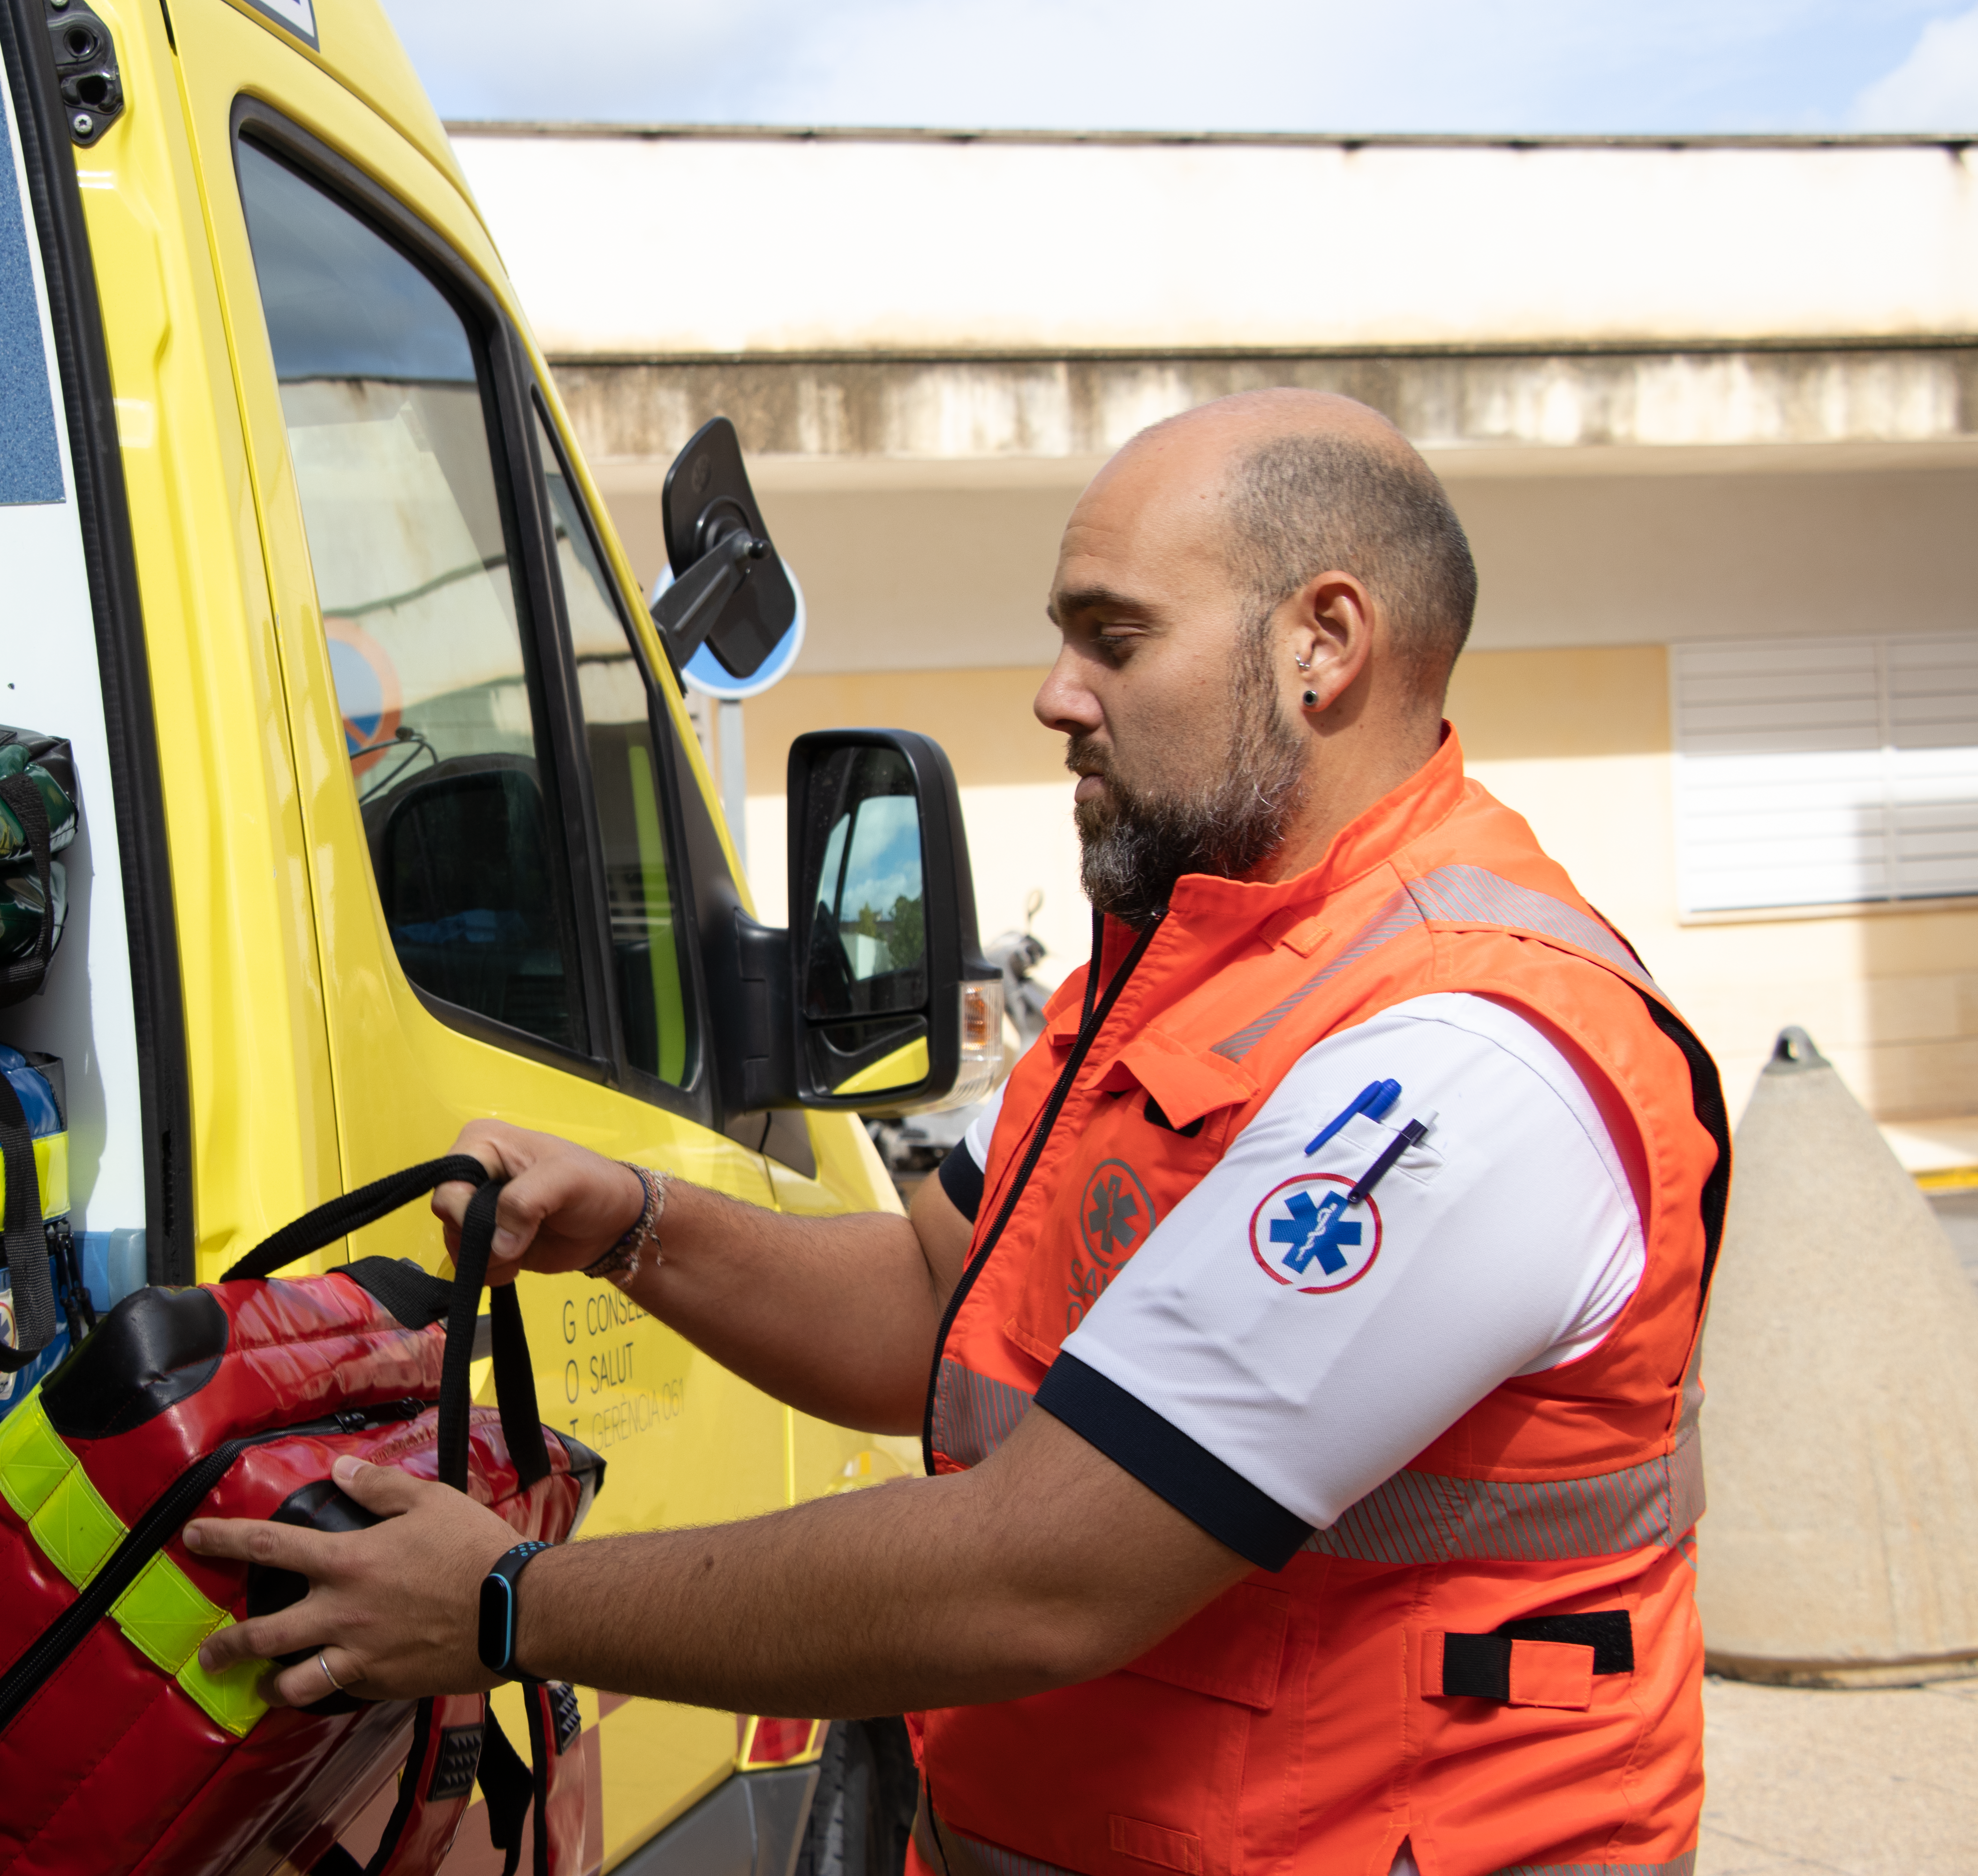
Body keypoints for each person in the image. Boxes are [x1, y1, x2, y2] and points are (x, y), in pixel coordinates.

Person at [184, 389, 1726, 1876]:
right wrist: (639, 1228)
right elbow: (949, 1310)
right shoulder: (1191, 965)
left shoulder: (1468, 1058)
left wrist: (510, 1605)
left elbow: (1041, 1572)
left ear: (1323, 645)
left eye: (1113, 637)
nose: (1058, 693)